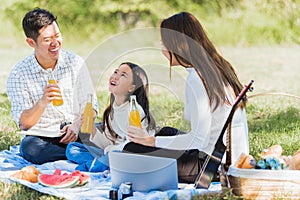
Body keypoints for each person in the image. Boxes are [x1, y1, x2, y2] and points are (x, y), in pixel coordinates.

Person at [124, 12, 249, 183]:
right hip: (228, 156)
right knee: (166, 132)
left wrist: (151, 141)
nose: (162, 49)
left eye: (163, 43)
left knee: (132, 149)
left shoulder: (197, 78)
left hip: (213, 166)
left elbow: (199, 139)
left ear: (177, 45)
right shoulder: (216, 67)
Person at [6, 8, 98, 164]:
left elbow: (91, 106)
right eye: (47, 39)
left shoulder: (75, 63)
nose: (55, 43)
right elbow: (24, 123)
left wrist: (76, 126)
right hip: (44, 138)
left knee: (108, 130)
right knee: (30, 149)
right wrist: (43, 102)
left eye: (57, 36)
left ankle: (78, 151)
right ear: (31, 42)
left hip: (78, 131)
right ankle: (80, 152)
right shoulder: (19, 74)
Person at [65, 62, 156, 172]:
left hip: (131, 156)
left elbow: (132, 146)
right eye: (116, 72)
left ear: (131, 88)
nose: (115, 76)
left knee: (110, 156)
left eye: (123, 75)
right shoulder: (111, 111)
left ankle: (91, 166)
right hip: (112, 155)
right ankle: (100, 164)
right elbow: (108, 143)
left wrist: (111, 151)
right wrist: (93, 129)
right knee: (73, 148)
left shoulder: (134, 111)